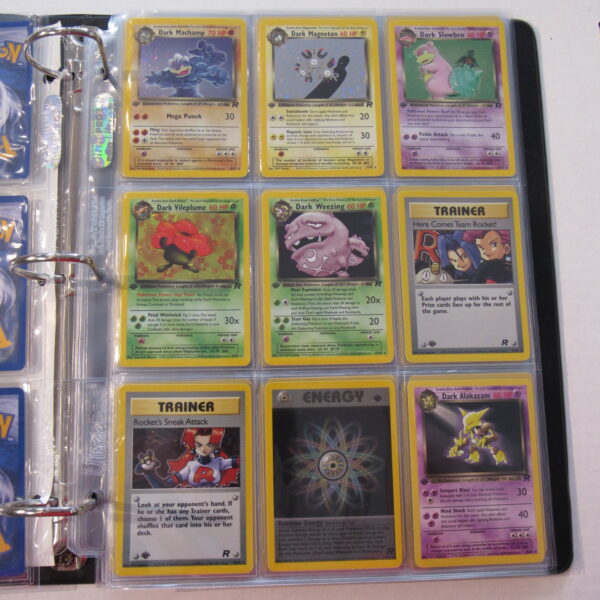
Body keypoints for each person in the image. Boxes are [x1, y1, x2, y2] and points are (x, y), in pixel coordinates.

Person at [135, 427, 239, 488]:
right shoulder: (190, 466)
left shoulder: (219, 462)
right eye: (199, 445)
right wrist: (148, 473)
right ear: (193, 445)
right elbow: (165, 486)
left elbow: (242, 461)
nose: (204, 449)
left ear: (215, 445)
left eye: (209, 445)